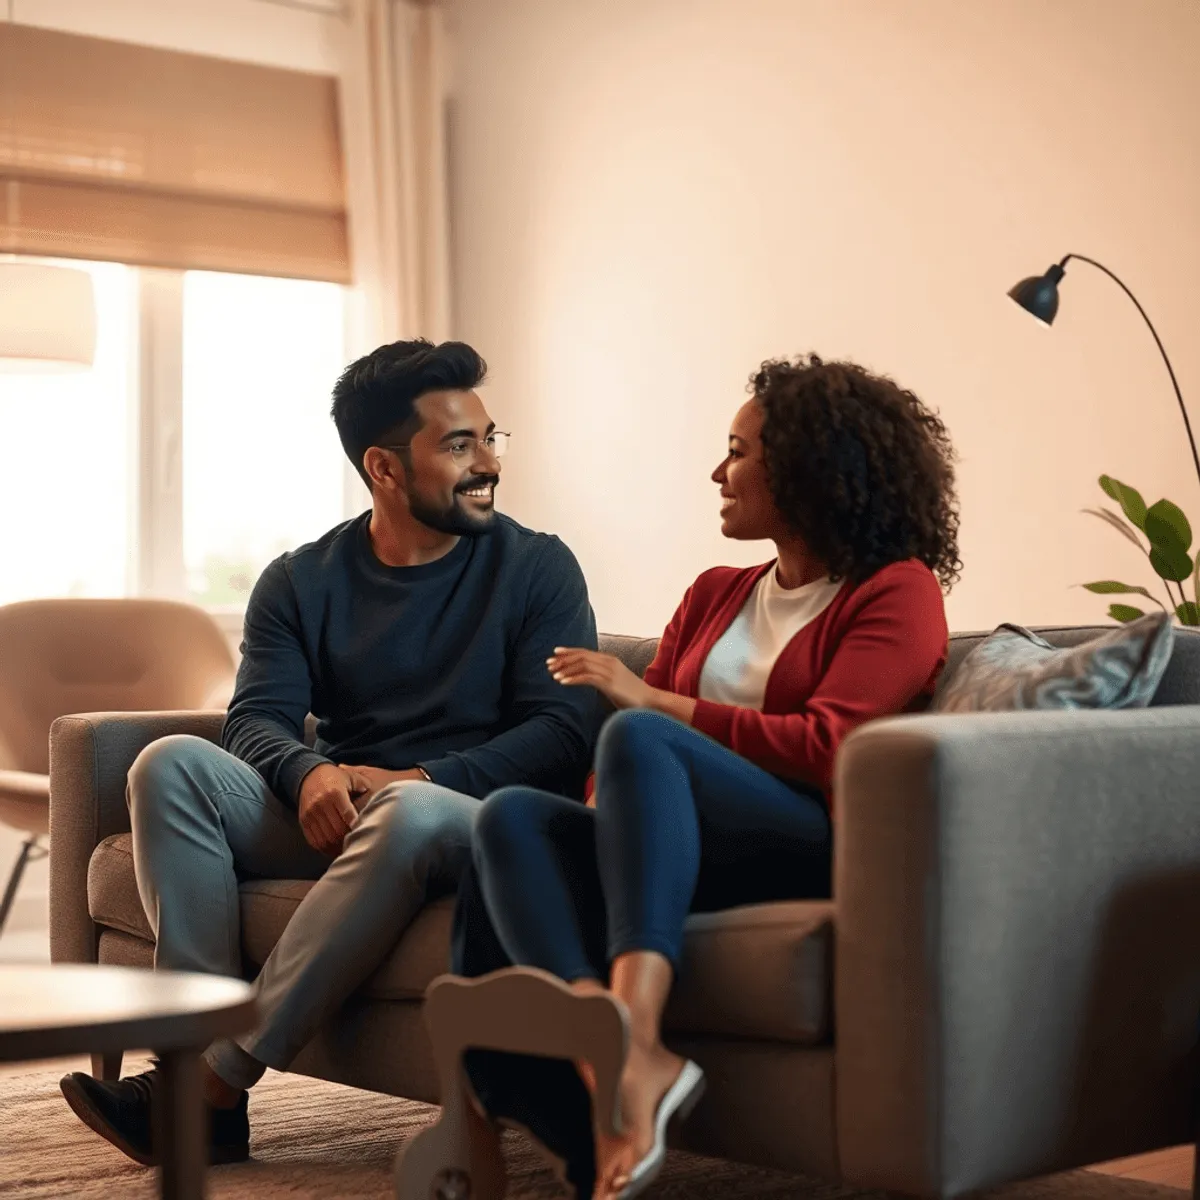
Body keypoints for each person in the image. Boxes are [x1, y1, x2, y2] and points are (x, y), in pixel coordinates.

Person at [59, 339, 601, 1167]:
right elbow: (255, 720)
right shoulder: (300, 579)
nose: (488, 461)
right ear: (383, 469)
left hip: (471, 816)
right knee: (169, 763)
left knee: (409, 809)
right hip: (343, 812)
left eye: (491, 437)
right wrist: (306, 771)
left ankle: (211, 1085)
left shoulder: (537, 568)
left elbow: (564, 733)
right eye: (459, 444)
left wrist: (419, 778)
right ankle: (191, 1055)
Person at [451, 352, 962, 1199]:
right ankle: (604, 1055)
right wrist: (610, 790)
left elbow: (831, 744)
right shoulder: (716, 590)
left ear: (808, 467)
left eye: (738, 451)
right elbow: (620, 754)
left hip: (804, 838)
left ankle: (638, 1032)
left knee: (648, 737)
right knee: (508, 818)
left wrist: (649, 701)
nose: (718, 471)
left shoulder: (895, 591)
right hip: (674, 846)